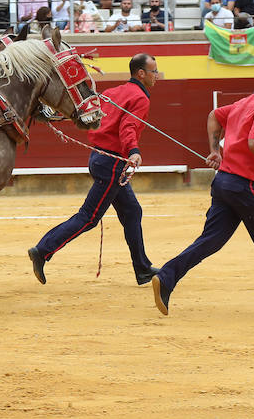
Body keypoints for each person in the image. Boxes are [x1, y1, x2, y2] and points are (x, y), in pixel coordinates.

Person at [153, 65, 254, 315]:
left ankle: (167, 275)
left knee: (211, 240)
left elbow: (214, 116)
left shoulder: (244, 103)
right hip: (246, 186)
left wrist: (215, 150)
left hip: (224, 181)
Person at [30, 54, 161, 286]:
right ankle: (43, 250)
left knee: (132, 211)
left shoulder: (112, 93)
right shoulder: (140, 98)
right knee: (89, 217)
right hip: (112, 163)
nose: (156, 76)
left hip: (99, 157)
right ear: (141, 73)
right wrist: (133, 150)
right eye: (154, 71)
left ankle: (142, 268)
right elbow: (128, 127)